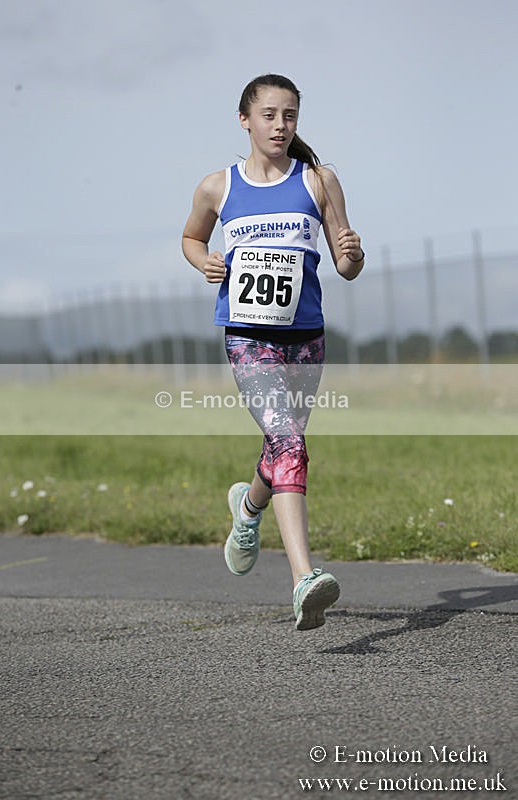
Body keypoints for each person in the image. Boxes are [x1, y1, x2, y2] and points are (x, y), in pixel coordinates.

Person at [182, 74, 364, 630]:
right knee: (289, 444)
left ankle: (248, 509)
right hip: (247, 334)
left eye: (289, 116)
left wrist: (354, 254)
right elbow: (191, 238)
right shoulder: (219, 186)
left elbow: (346, 264)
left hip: (305, 335)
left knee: (284, 444)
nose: (280, 126)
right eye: (268, 115)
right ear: (245, 120)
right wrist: (205, 261)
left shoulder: (319, 181)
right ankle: (304, 578)